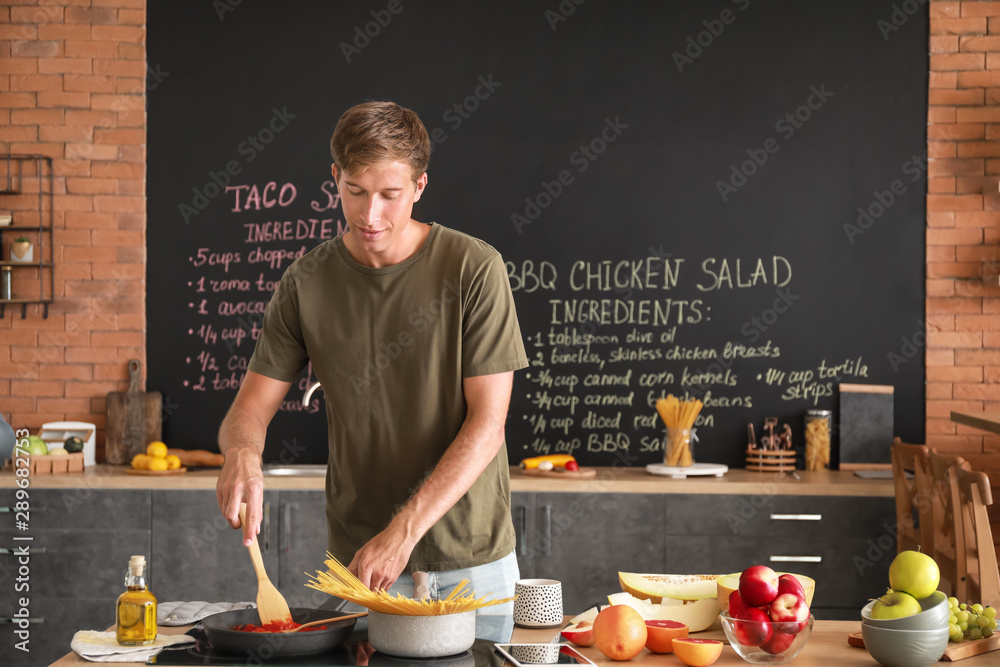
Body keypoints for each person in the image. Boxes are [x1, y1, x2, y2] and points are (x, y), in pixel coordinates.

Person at [216, 101, 528, 608]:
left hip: (472, 563)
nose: (370, 215)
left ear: (420, 186)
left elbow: (488, 424)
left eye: (390, 195)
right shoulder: (305, 282)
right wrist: (242, 453)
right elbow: (248, 409)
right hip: (360, 565)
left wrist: (402, 532)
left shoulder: (473, 267)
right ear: (335, 178)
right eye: (355, 191)